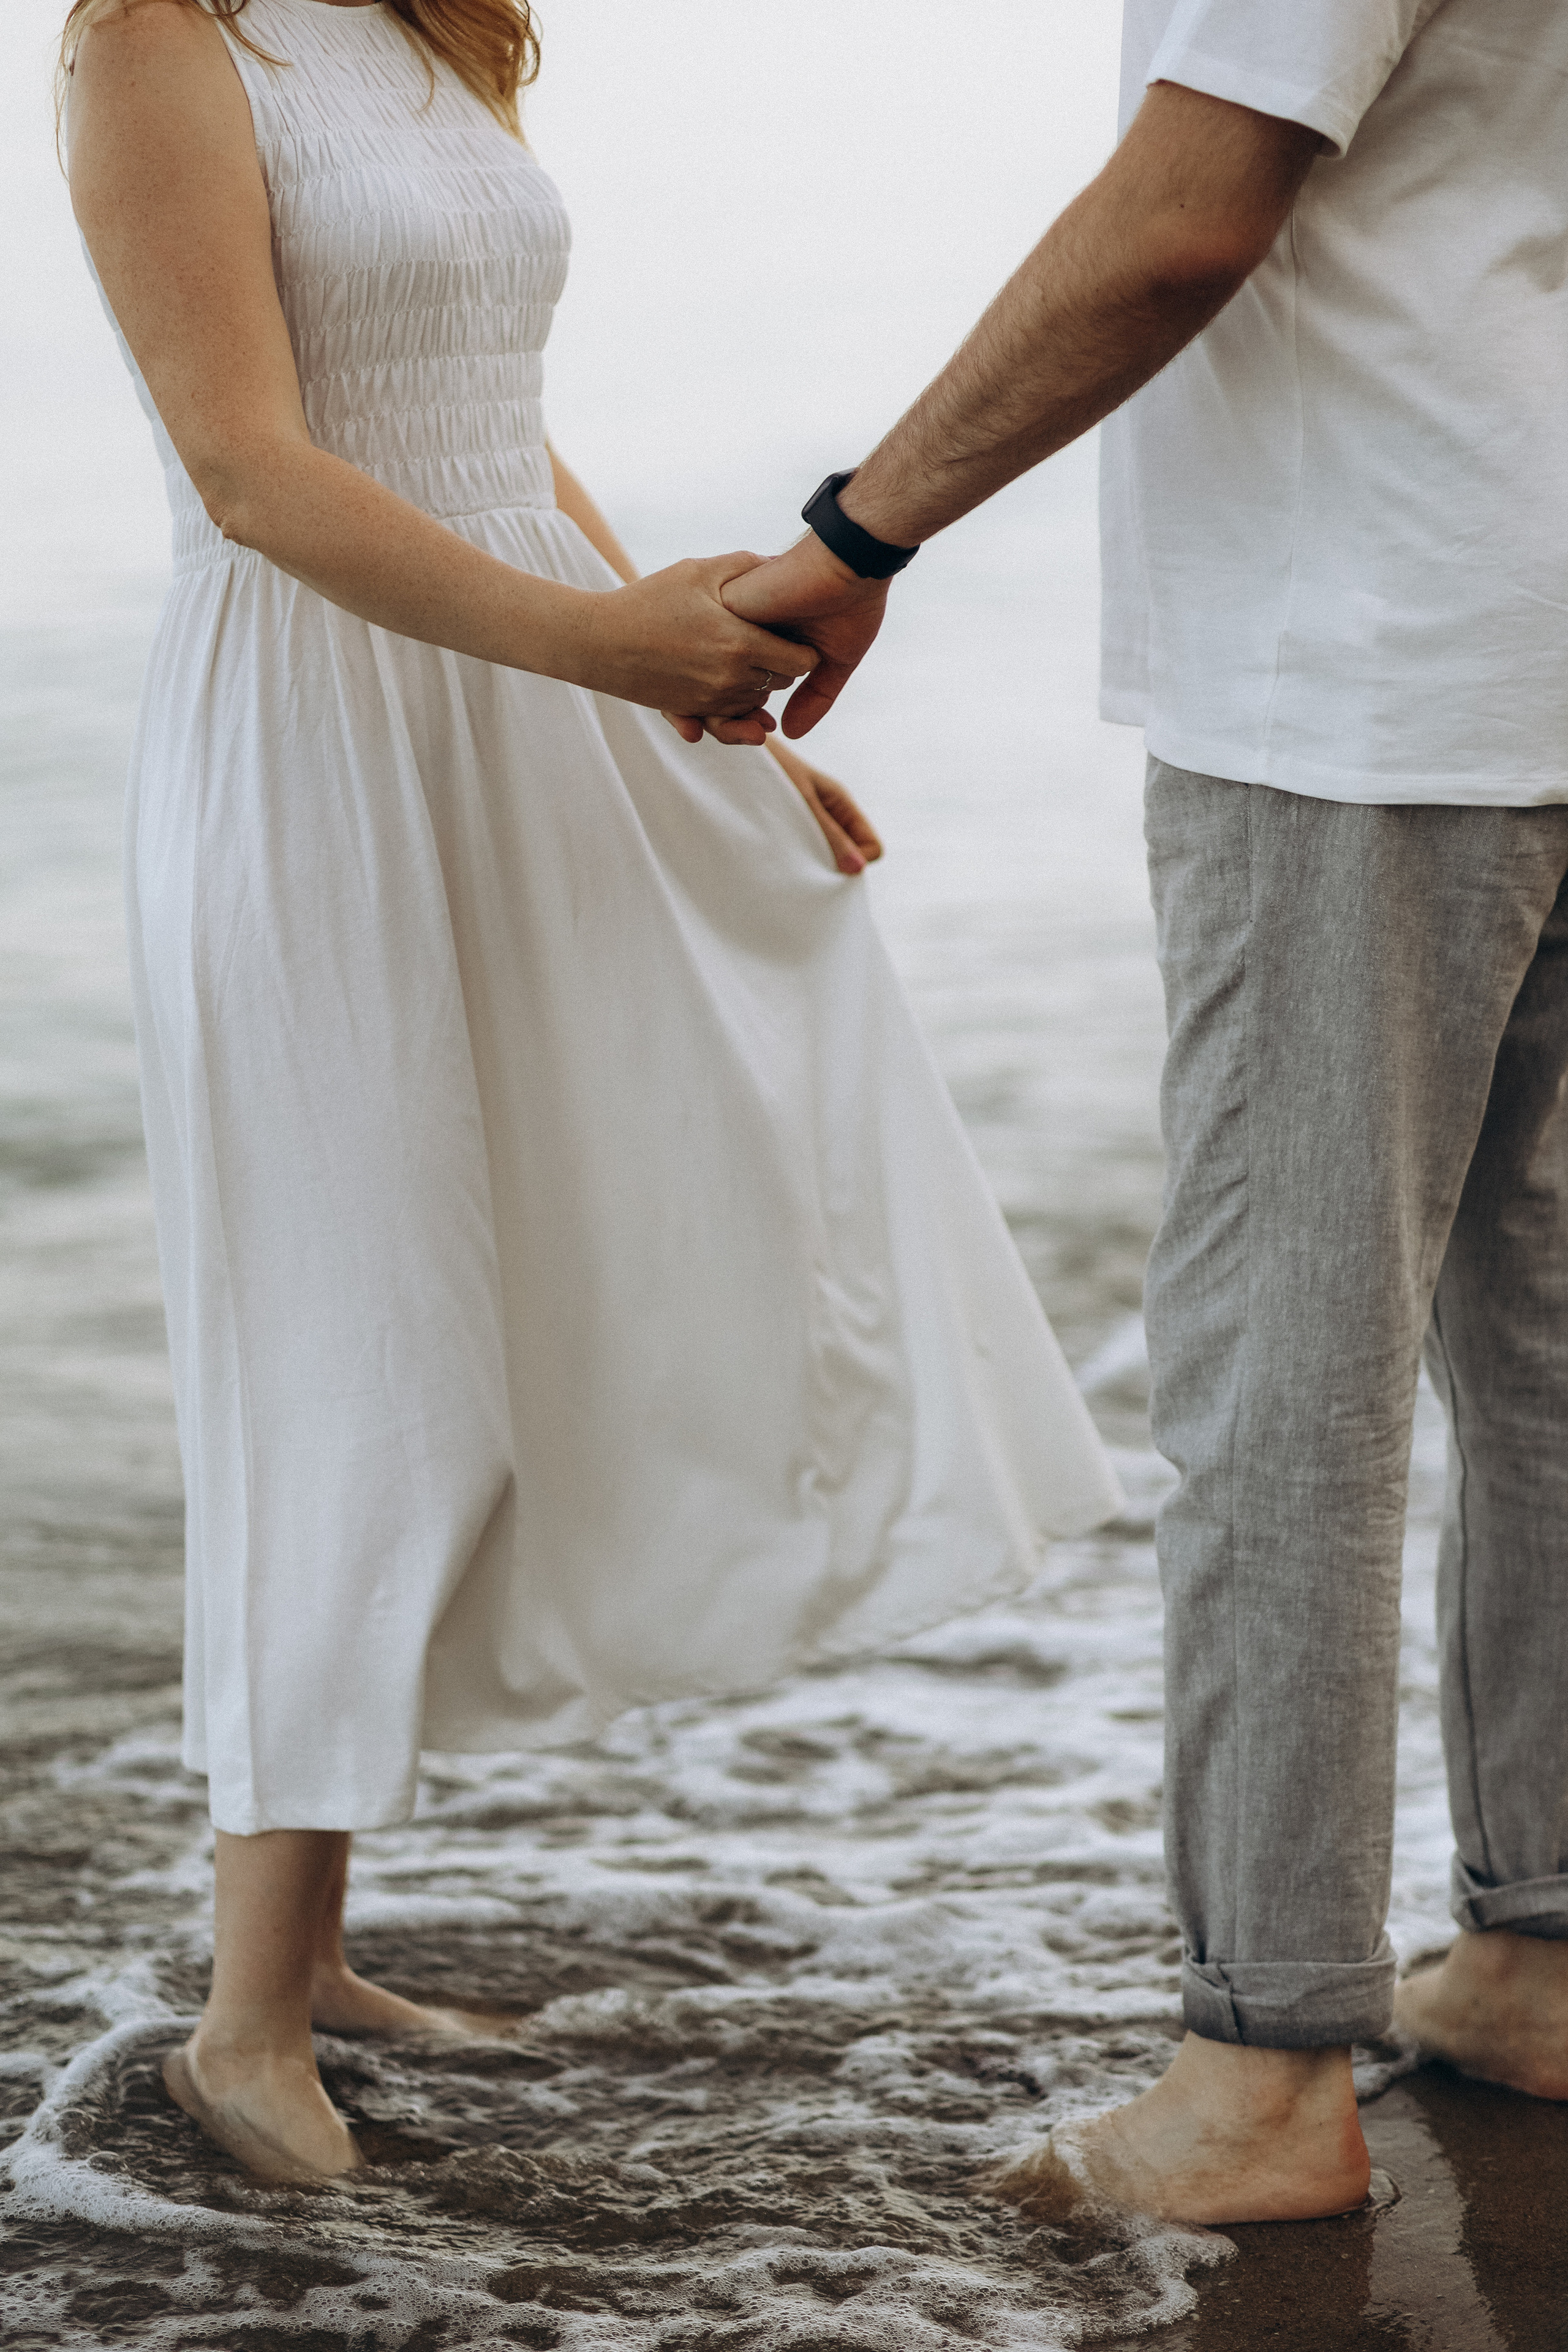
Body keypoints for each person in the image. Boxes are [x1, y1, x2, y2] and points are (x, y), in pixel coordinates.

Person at [62, 0, 1123, 2185]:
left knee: (578, 1260)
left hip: (521, 696)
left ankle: (313, 1942)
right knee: (356, 1336)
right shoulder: (153, 36)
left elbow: (499, 438)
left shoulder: (435, 30)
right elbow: (251, 470)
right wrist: (593, 653)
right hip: (320, 741)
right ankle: (241, 2028)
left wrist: (701, 696)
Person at [712, 0, 1568, 2225]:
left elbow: (1183, 223)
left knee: (1289, 1372)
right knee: (1550, 1351)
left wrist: (854, 530)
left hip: (1363, 655)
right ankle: (1544, 1953)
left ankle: (1263, 2072)